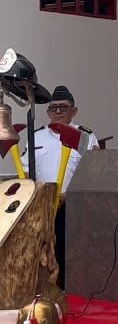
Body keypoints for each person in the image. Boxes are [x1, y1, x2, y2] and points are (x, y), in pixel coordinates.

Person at [21, 85, 99, 288]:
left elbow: (94, 171)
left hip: (73, 206)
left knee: (69, 251)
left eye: (63, 108)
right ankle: (44, 291)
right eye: (53, 108)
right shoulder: (36, 136)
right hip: (42, 206)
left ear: (74, 111)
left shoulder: (85, 137)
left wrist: (67, 195)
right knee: (43, 251)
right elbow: (26, 169)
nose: (57, 112)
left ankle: (69, 291)